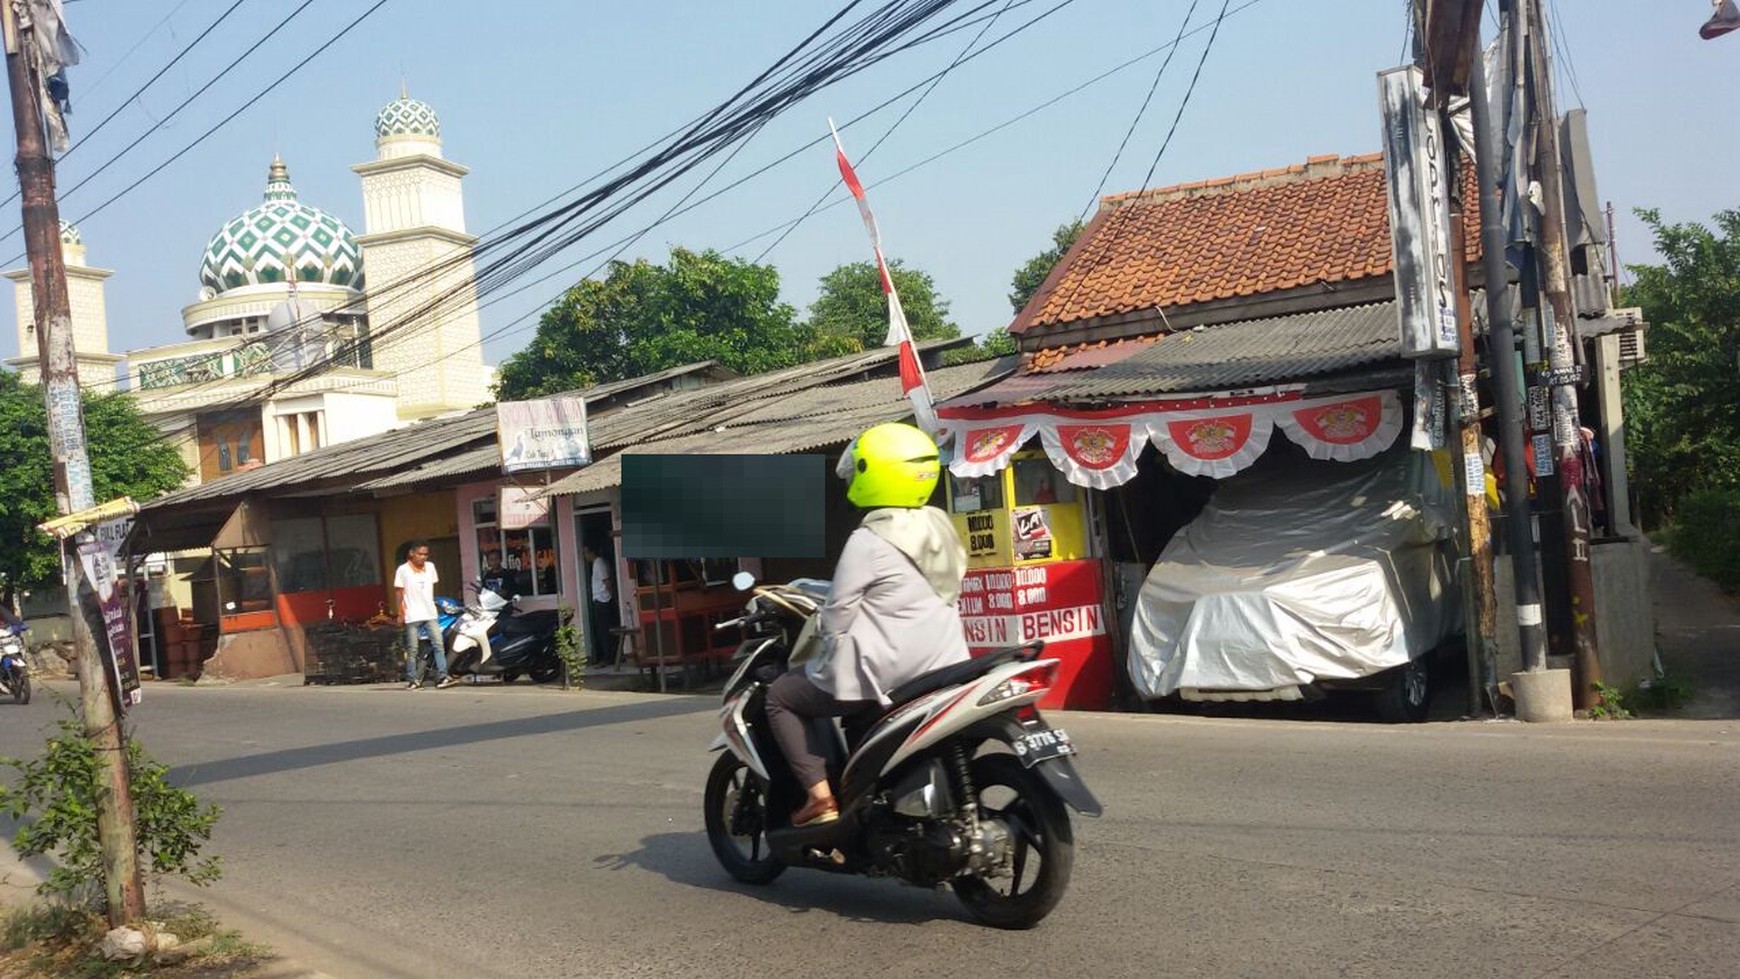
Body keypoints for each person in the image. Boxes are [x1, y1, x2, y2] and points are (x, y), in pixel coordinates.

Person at [762, 422, 971, 827]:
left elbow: (838, 612)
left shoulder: (870, 539)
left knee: (782, 695)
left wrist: (821, 650)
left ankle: (820, 797)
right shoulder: (940, 525)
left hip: (888, 674)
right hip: (946, 666)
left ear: (874, 474)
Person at [395, 540, 456, 689]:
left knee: (439, 645)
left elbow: (430, 588)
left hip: (430, 614)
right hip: (412, 615)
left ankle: (442, 676)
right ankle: (413, 680)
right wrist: (400, 613)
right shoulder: (403, 570)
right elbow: (399, 592)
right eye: (420, 554)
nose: (423, 557)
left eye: (425, 554)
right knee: (413, 649)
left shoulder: (430, 567)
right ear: (411, 554)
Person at [584, 543, 618, 666]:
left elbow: (607, 581)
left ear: (592, 552)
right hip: (601, 599)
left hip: (603, 600)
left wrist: (612, 597)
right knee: (602, 629)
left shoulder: (599, 563)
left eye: (586, 552)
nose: (585, 556)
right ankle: (608, 655)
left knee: (604, 630)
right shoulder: (597, 563)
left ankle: (608, 657)